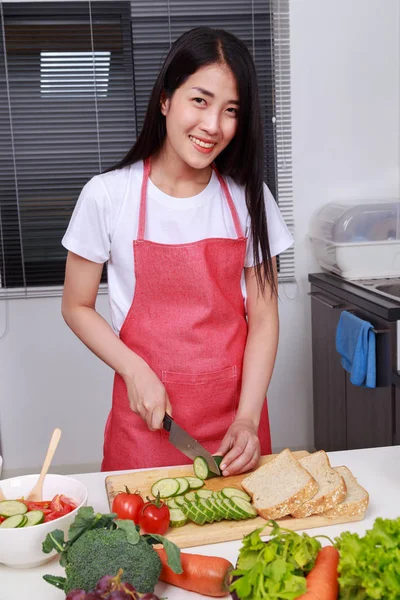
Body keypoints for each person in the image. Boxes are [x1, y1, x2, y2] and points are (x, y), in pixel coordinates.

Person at [61, 26, 293, 476]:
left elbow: (264, 317)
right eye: (200, 101)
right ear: (166, 100)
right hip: (148, 426)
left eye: (231, 111)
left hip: (236, 429)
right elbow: (77, 306)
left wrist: (247, 417)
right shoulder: (108, 196)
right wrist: (133, 369)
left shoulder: (250, 198)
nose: (213, 126)